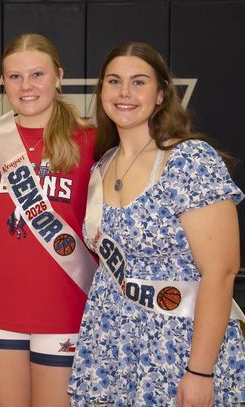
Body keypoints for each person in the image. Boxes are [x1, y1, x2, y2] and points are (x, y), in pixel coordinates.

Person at [68, 42, 245, 406]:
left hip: (177, 345)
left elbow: (221, 272)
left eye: (139, 82)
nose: (125, 93)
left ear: (161, 93)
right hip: (110, 347)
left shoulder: (190, 161)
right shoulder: (101, 167)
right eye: (114, 81)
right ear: (101, 91)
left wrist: (200, 372)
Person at [0, 33, 98, 407]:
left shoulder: (91, 138)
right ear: (3, 83)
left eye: (37, 74)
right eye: (14, 77)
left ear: (59, 76)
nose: (26, 86)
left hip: (66, 303)